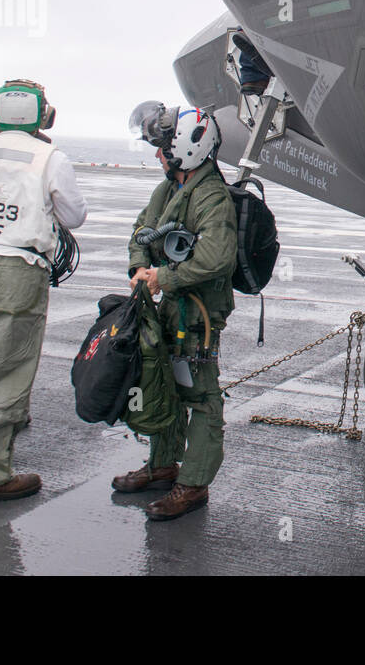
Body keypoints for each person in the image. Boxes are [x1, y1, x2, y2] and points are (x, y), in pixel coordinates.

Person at [0, 80, 86, 503]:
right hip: (17, 265)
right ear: (44, 116)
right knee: (6, 371)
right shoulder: (48, 156)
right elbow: (74, 215)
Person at [113, 102, 236, 521]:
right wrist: (138, 267)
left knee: (200, 395)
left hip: (198, 313)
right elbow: (141, 229)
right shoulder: (170, 188)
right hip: (171, 306)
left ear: (186, 147)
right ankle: (163, 465)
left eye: (162, 147)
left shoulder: (211, 196)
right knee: (164, 384)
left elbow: (217, 257)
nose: (157, 155)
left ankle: (194, 483)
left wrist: (161, 279)